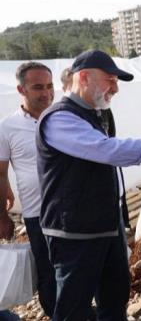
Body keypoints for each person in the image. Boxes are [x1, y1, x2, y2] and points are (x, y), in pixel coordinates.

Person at [36, 50, 141, 320]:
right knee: (74, 307)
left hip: (107, 227)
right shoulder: (59, 119)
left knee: (114, 298)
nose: (116, 88)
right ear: (84, 77)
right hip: (74, 233)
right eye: (110, 80)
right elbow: (107, 151)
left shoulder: (100, 114)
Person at [0, 62, 56, 317]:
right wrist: (2, 216)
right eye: (37, 87)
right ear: (21, 89)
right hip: (37, 214)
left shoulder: (62, 118)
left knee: (75, 268)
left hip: (72, 210)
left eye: (49, 86)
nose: (46, 93)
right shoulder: (6, 127)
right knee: (47, 271)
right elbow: (0, 173)